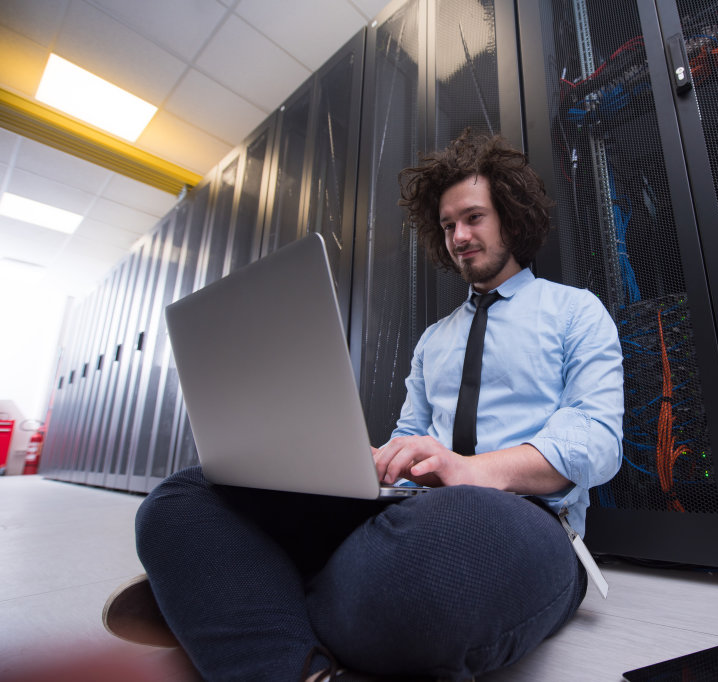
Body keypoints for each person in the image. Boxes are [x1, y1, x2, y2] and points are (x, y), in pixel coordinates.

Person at [114, 131, 624, 681]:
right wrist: (367, 460)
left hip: (528, 522)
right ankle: (291, 656)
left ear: (512, 217)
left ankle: (241, 603)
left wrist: (472, 471)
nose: (459, 236)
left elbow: (596, 440)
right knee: (181, 501)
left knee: (438, 558)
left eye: (474, 217)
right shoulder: (434, 341)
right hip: (413, 513)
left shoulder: (575, 312)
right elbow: (408, 437)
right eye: (448, 224)